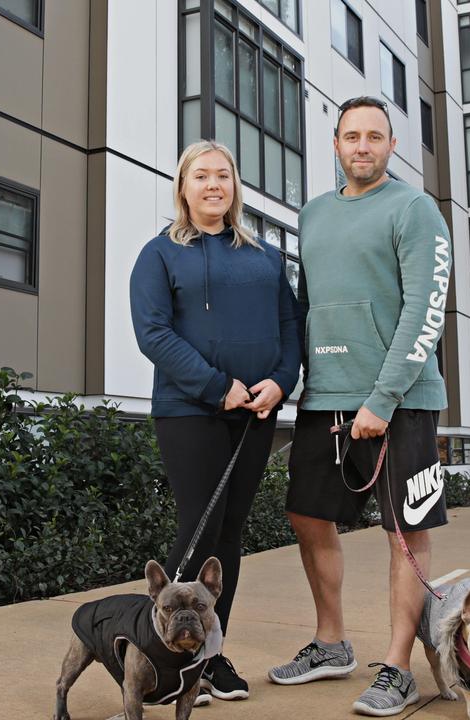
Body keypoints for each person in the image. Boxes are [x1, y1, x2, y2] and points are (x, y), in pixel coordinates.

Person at [266, 96, 452, 717]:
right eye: (351, 136)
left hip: (401, 402)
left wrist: (384, 396)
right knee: (306, 516)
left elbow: (426, 310)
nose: (362, 146)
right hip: (326, 399)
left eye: (375, 136)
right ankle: (330, 643)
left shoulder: (414, 209)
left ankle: (397, 666)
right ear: (337, 144)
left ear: (391, 145)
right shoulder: (312, 215)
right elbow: (306, 304)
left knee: (405, 531)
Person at [130, 139, 302, 703]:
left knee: (227, 536)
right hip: (190, 411)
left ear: (235, 187)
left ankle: (209, 656)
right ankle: (167, 658)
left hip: (255, 414)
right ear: (183, 187)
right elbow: (153, 334)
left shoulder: (266, 257)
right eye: (200, 175)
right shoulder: (159, 254)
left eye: (222, 175)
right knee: (199, 528)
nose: (212, 185)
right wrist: (216, 387)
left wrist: (281, 381)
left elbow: (290, 328)